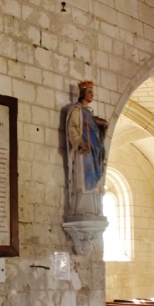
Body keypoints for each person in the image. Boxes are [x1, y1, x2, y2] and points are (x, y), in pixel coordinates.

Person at [66, 81, 108, 215]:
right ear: (83, 93)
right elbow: (72, 128)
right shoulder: (76, 110)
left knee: (95, 177)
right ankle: (82, 209)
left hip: (94, 151)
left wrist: (103, 127)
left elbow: (97, 132)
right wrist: (80, 143)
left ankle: (94, 209)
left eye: (93, 93)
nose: (92, 95)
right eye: (89, 92)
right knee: (83, 178)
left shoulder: (90, 113)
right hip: (83, 150)